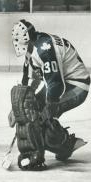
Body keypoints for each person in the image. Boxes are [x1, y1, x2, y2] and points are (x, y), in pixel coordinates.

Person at [10, 19, 90, 170]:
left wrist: (48, 109)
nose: (15, 43)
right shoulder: (33, 46)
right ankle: (63, 144)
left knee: (40, 118)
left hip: (77, 85)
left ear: (24, 38)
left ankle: (62, 145)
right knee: (29, 108)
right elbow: (28, 80)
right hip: (63, 81)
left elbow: (55, 83)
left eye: (16, 39)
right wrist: (18, 106)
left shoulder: (44, 48)